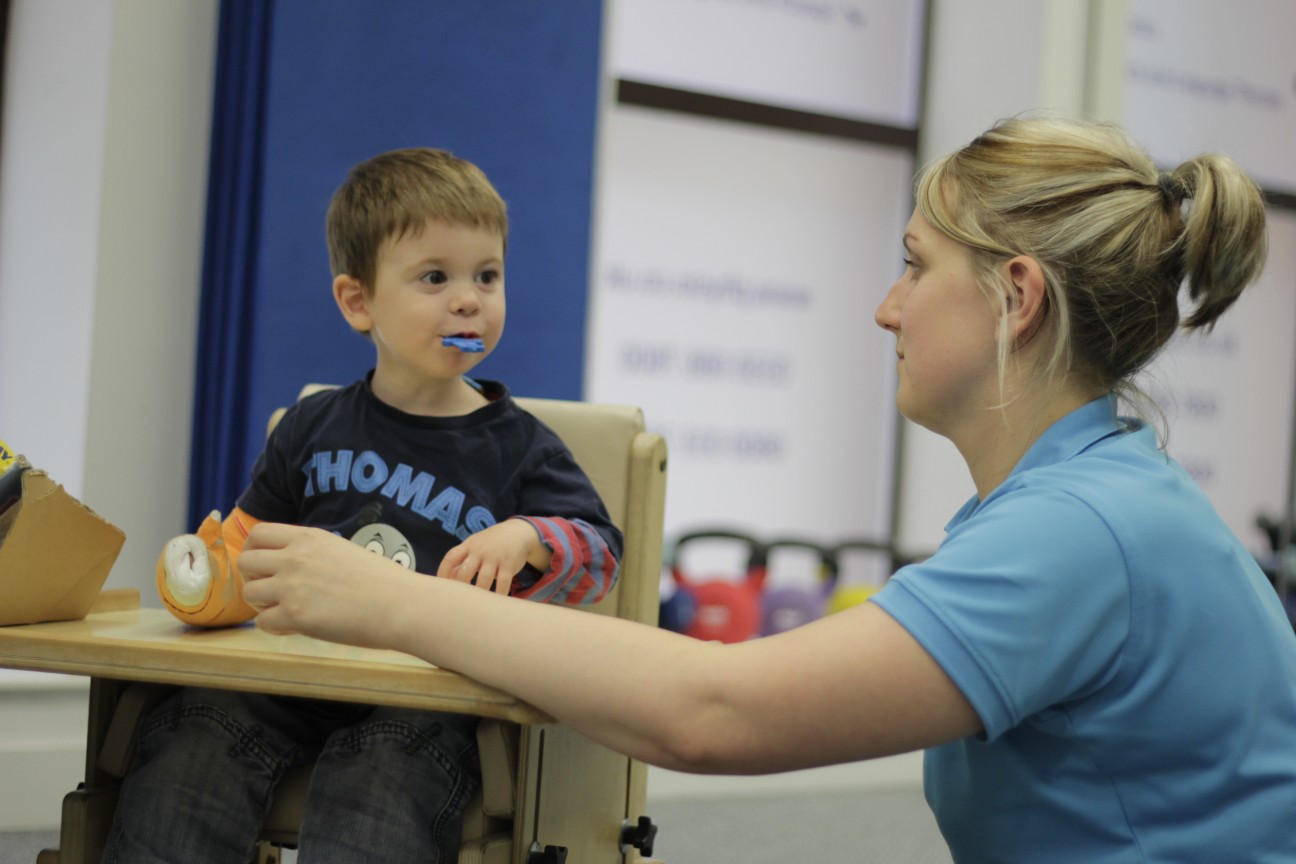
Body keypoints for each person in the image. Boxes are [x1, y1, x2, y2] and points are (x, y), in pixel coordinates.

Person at [239, 116, 1296, 863]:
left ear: (1016, 297)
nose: (888, 308)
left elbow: (717, 713)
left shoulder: (1083, 532)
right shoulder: (1081, 504)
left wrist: (389, 599)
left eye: (914, 266)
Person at [103, 148, 623, 864]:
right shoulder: (311, 429)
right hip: (297, 678)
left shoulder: (522, 448)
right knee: (193, 733)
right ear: (359, 303)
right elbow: (247, 553)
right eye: (435, 278)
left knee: (379, 776)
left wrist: (529, 537)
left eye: (488, 276)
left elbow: (601, 554)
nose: (469, 299)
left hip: (430, 701)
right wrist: (206, 583)